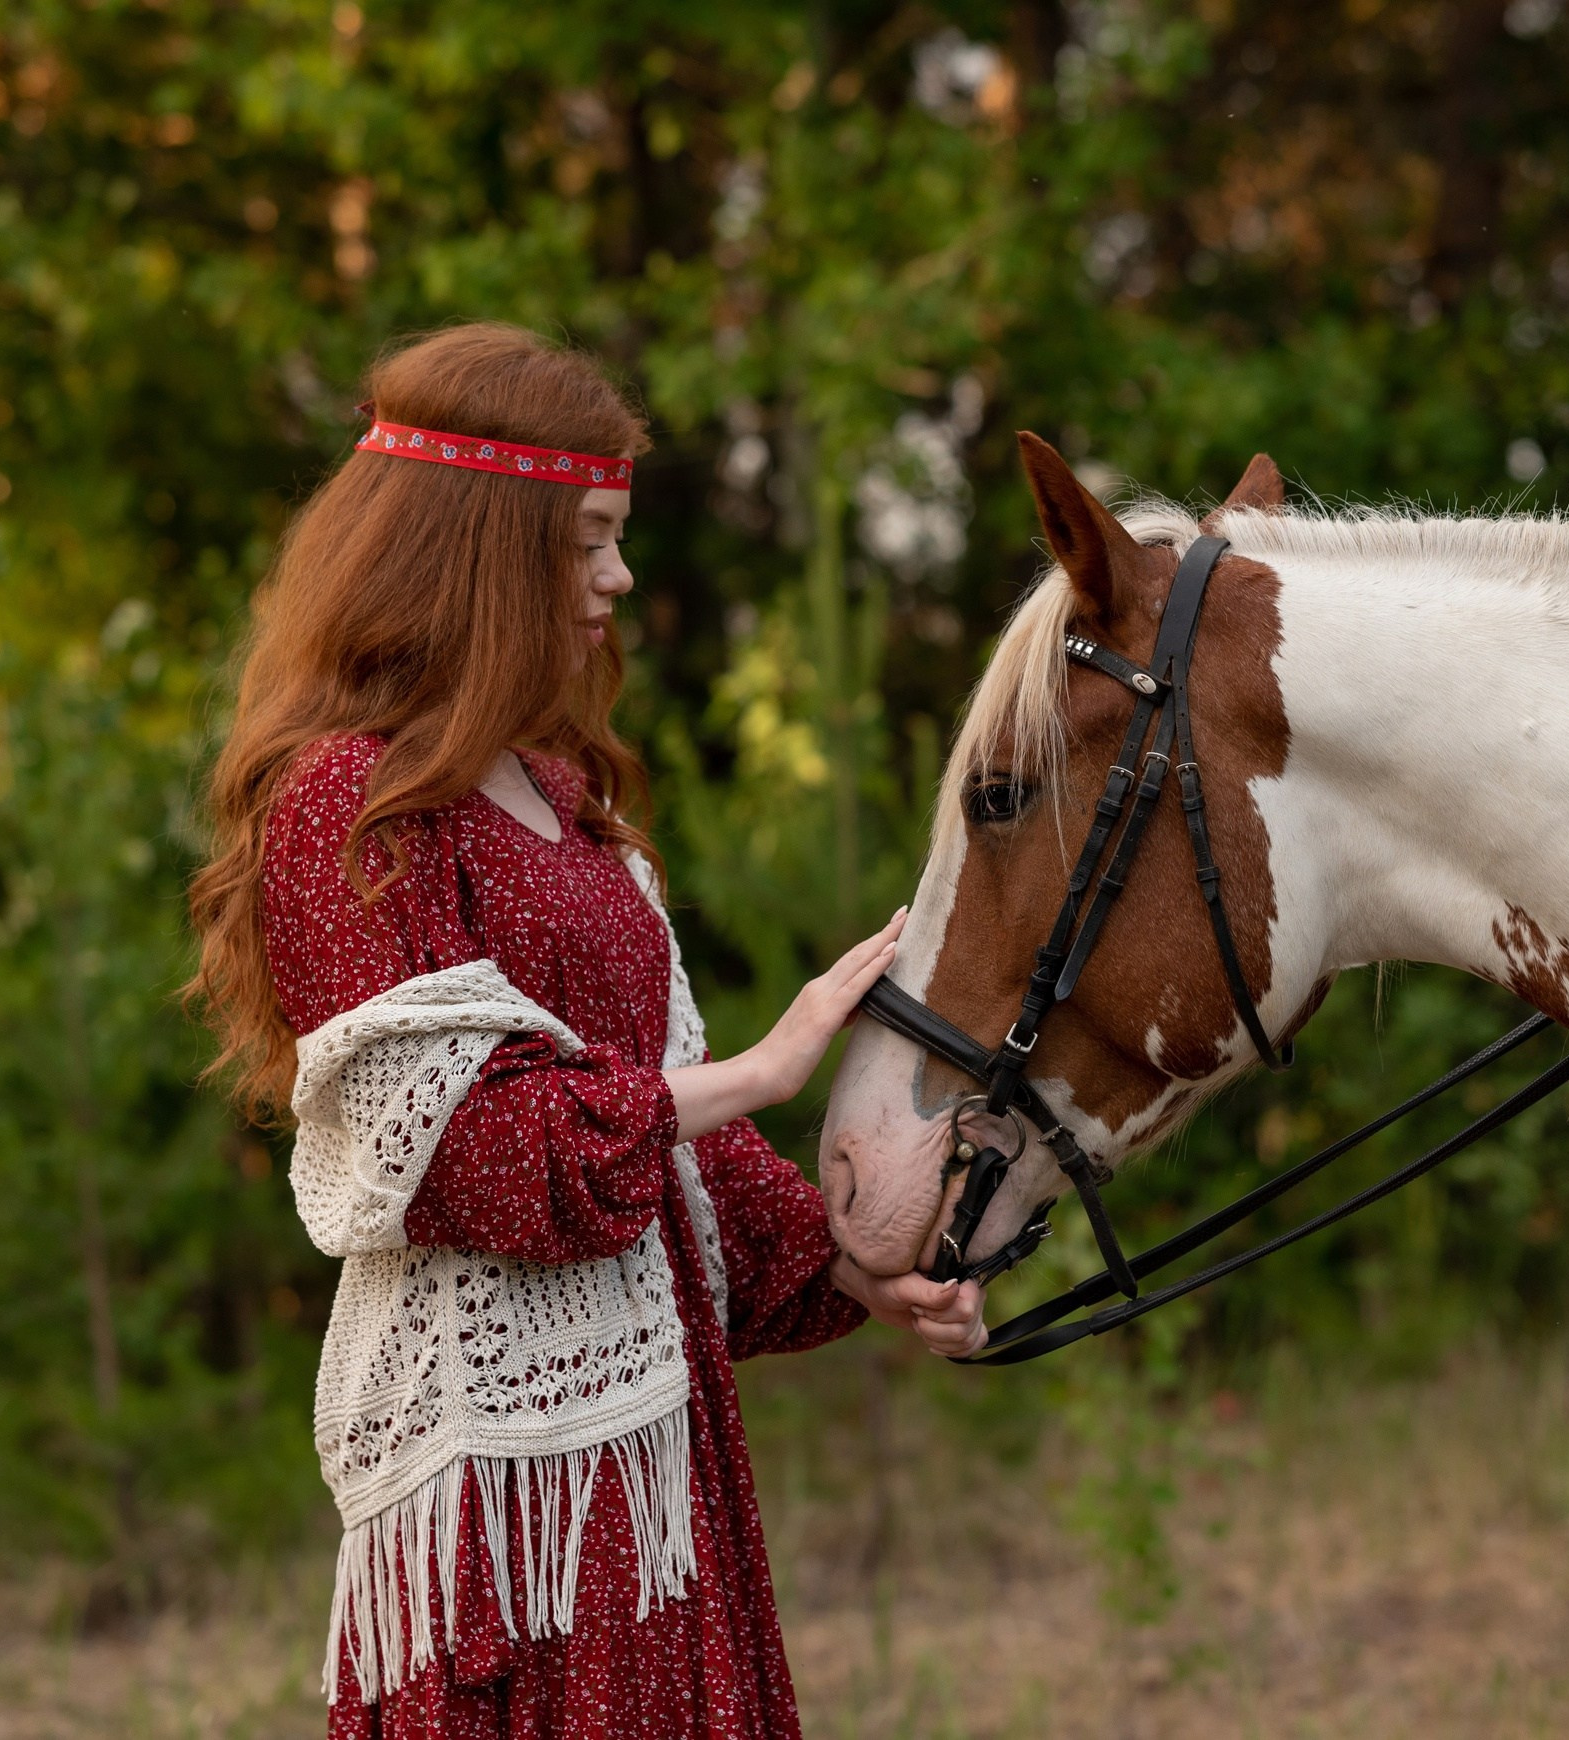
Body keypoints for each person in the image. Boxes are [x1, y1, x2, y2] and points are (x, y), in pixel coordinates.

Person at [185, 322, 984, 1739]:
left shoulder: (564, 802)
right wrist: (763, 1068)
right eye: (590, 540)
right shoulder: (344, 809)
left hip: (658, 1451)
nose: (619, 576)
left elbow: (685, 1167)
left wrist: (860, 1271)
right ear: (485, 549)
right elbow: (467, 1155)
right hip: (511, 1493)